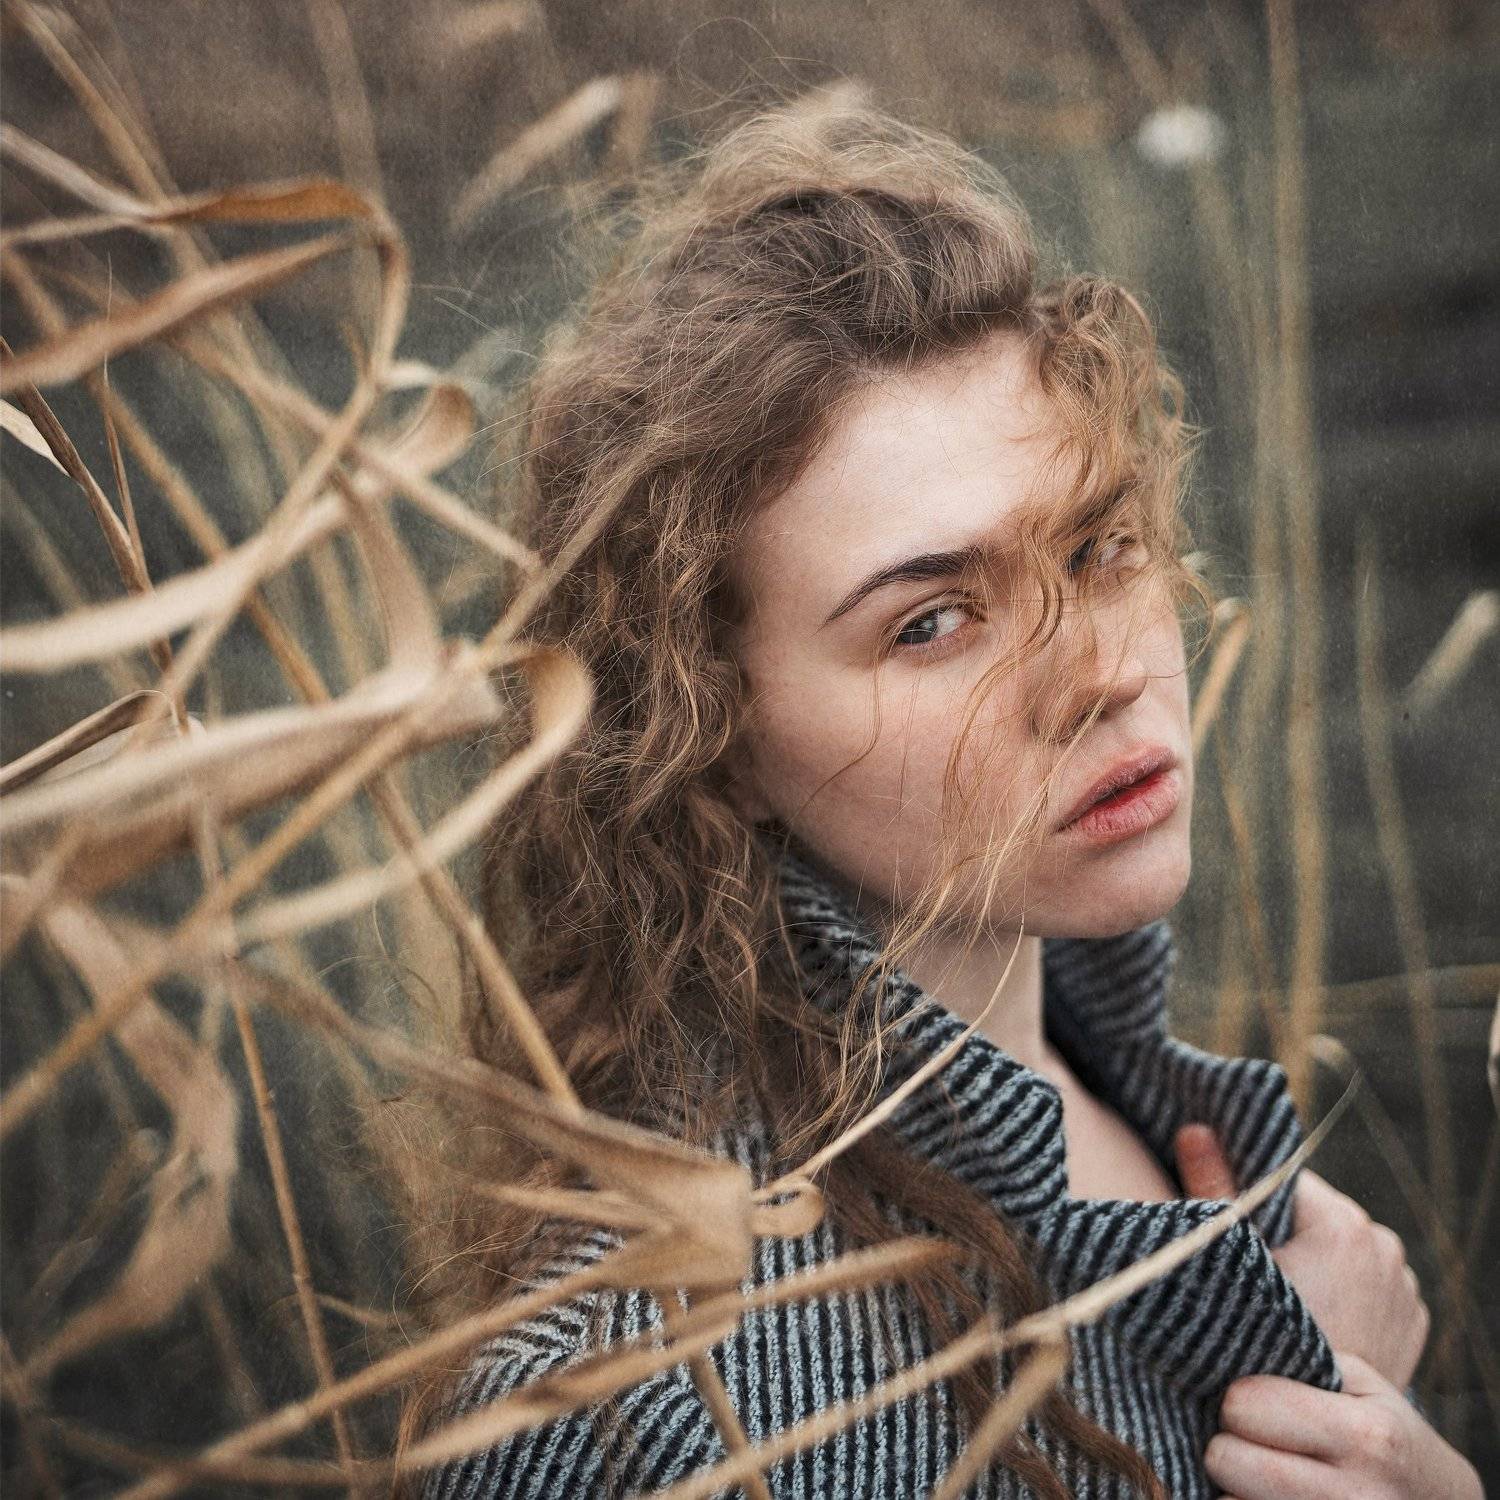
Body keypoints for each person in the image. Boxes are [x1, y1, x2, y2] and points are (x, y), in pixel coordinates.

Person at [398, 100, 1481, 1499]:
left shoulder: (1133, 1089)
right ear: (712, 733)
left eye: (1099, 546)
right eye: (932, 622)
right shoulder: (645, 1409)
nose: (1100, 675)